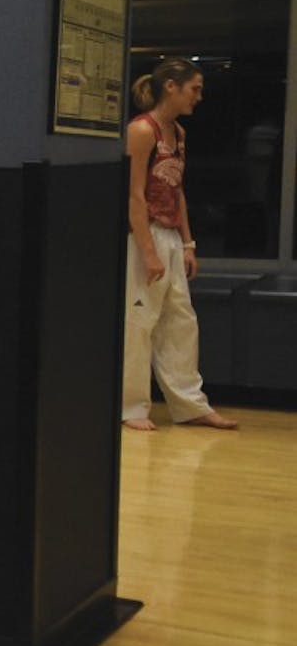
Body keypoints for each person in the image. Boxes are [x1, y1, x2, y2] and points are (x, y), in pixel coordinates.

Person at [122, 58, 237, 431]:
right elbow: (135, 196)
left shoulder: (179, 133)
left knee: (181, 321)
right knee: (139, 322)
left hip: (170, 234)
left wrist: (188, 243)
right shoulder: (142, 130)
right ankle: (131, 407)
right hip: (144, 233)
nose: (199, 96)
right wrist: (148, 252)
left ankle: (189, 404)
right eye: (195, 88)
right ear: (170, 86)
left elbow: (177, 189)